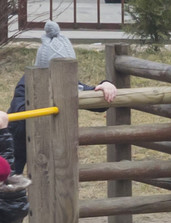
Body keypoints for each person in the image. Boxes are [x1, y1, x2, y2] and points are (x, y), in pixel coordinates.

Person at [7, 21, 117, 175]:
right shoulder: (26, 83)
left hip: (49, 141)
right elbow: (19, 112)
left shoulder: (70, 84)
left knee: (47, 172)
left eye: (69, 70)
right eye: (59, 71)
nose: (66, 77)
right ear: (43, 70)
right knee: (9, 176)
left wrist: (105, 85)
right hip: (17, 138)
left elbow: (95, 100)